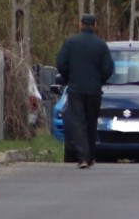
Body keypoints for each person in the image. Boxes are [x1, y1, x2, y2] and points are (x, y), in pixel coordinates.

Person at [56, 14, 114, 169]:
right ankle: (90, 157)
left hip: (76, 89)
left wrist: (69, 77)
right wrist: (99, 80)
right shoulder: (101, 45)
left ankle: (82, 158)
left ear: (80, 24)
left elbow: (61, 63)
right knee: (91, 122)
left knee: (78, 122)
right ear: (95, 25)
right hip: (94, 90)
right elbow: (109, 68)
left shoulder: (70, 43)